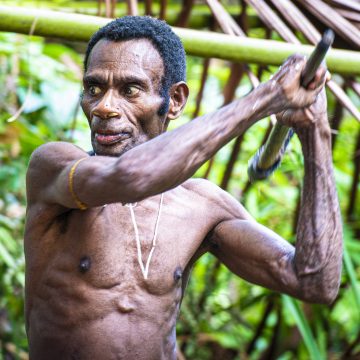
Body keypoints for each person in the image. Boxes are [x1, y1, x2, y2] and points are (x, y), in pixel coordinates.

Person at [24, 16, 342, 360]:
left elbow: (315, 281)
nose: (104, 106)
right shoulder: (56, 169)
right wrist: (267, 97)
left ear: (174, 100)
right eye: (94, 88)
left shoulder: (202, 206)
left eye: (129, 90)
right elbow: (132, 178)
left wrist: (315, 130)